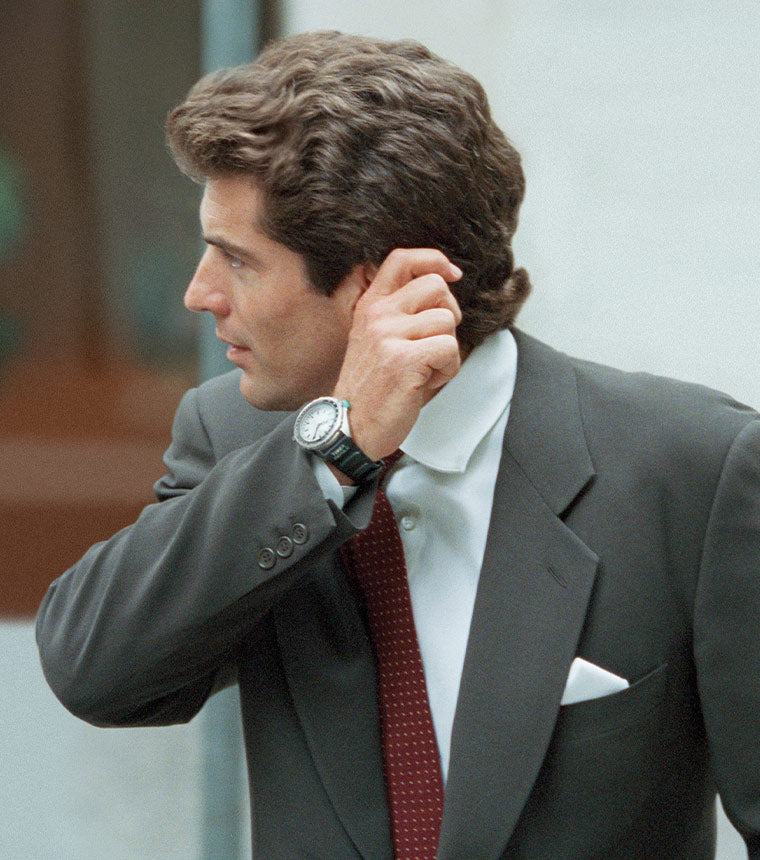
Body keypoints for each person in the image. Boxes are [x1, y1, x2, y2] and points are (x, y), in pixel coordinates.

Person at [36, 31, 760, 860]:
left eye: (237, 260)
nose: (199, 294)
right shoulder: (237, 439)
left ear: (382, 282)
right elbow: (96, 672)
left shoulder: (694, 468)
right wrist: (331, 456)